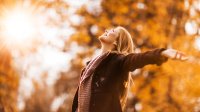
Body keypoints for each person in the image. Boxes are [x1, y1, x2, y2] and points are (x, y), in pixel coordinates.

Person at [71, 26, 188, 112]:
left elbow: (140, 58)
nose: (107, 30)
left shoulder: (118, 61)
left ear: (116, 41)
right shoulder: (87, 68)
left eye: (112, 31)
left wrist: (163, 53)